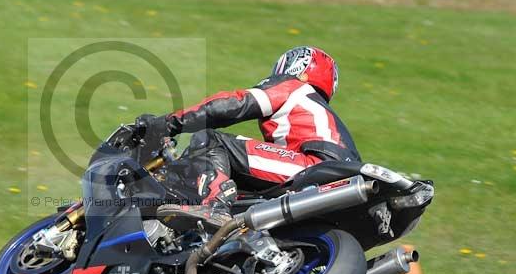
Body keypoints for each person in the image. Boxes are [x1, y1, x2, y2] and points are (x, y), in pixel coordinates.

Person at [138, 46, 361, 231]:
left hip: (312, 167)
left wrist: (167, 123)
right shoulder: (318, 112)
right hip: (334, 180)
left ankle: (215, 206)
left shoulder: (293, 87)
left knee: (210, 139)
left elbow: (235, 104)